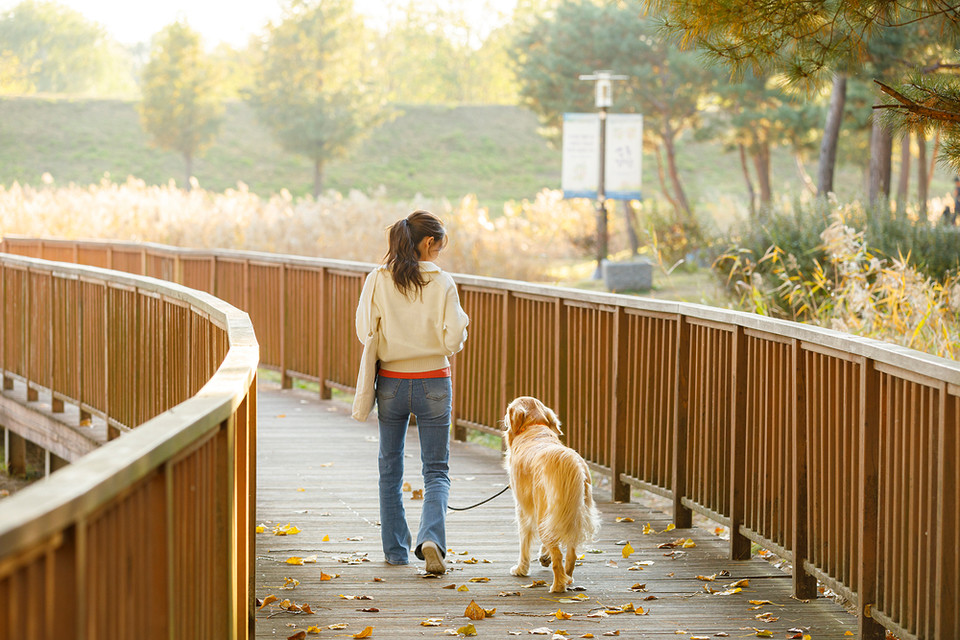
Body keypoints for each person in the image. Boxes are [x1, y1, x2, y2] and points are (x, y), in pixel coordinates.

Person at [355, 210, 470, 574]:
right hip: (434, 381)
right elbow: (453, 338)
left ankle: (395, 551)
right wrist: (459, 329)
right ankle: (431, 538)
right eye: (440, 245)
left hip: (391, 382)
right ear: (428, 242)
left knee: (389, 467)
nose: (439, 252)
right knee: (436, 470)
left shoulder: (378, 279)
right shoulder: (443, 281)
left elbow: (364, 330)